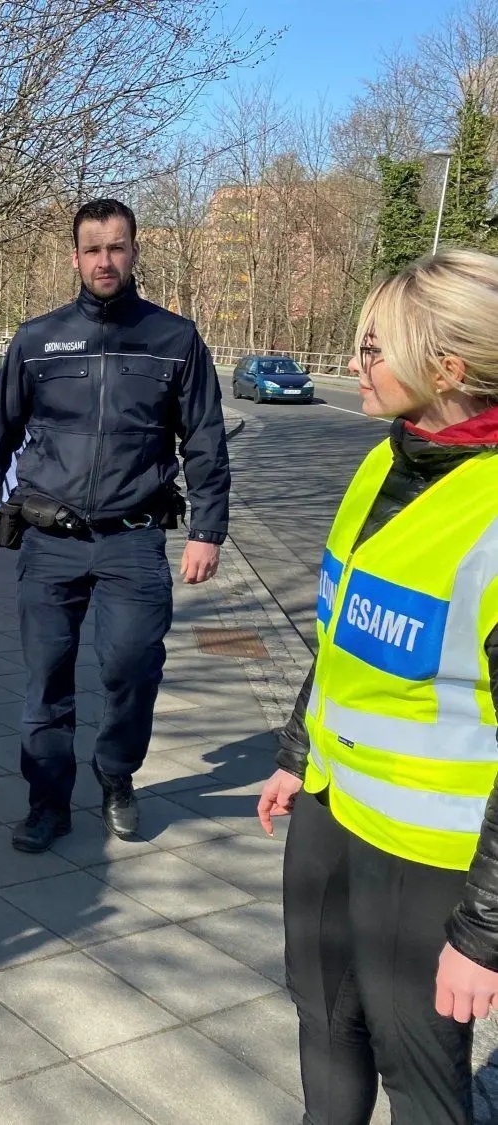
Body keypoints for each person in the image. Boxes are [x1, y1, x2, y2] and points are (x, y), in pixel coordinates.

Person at [259, 248, 498, 1125]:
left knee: (419, 1071)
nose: (354, 365)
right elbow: (341, 634)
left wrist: (485, 934)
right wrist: (298, 751)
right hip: (331, 805)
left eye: (372, 348)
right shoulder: (384, 461)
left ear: (448, 368)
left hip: (434, 855)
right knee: (323, 1016)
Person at [0, 198, 230, 853]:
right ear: (75, 257)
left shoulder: (175, 339)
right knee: (46, 678)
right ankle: (48, 802)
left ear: (134, 251)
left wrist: (208, 528)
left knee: (131, 667)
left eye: (117, 247)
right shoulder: (38, 339)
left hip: (133, 540)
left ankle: (116, 775)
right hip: (50, 543)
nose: (105, 259)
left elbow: (207, 440)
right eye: (93, 248)